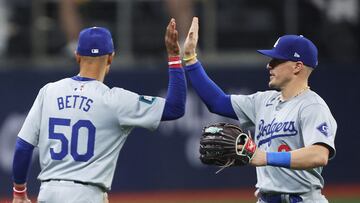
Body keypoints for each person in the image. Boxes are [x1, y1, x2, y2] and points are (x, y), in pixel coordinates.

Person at [11, 18, 186, 203]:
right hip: (87, 194)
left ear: (77, 55)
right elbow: (175, 108)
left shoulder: (49, 91)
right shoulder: (115, 100)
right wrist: (175, 57)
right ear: (111, 57)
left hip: (48, 192)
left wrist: (19, 192)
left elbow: (23, 146)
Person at [183, 17, 337, 203]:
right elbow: (217, 102)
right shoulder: (263, 101)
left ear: (297, 66)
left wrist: (264, 157)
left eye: (276, 61)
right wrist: (191, 59)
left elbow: (318, 155)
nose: (268, 65)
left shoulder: (312, 106)